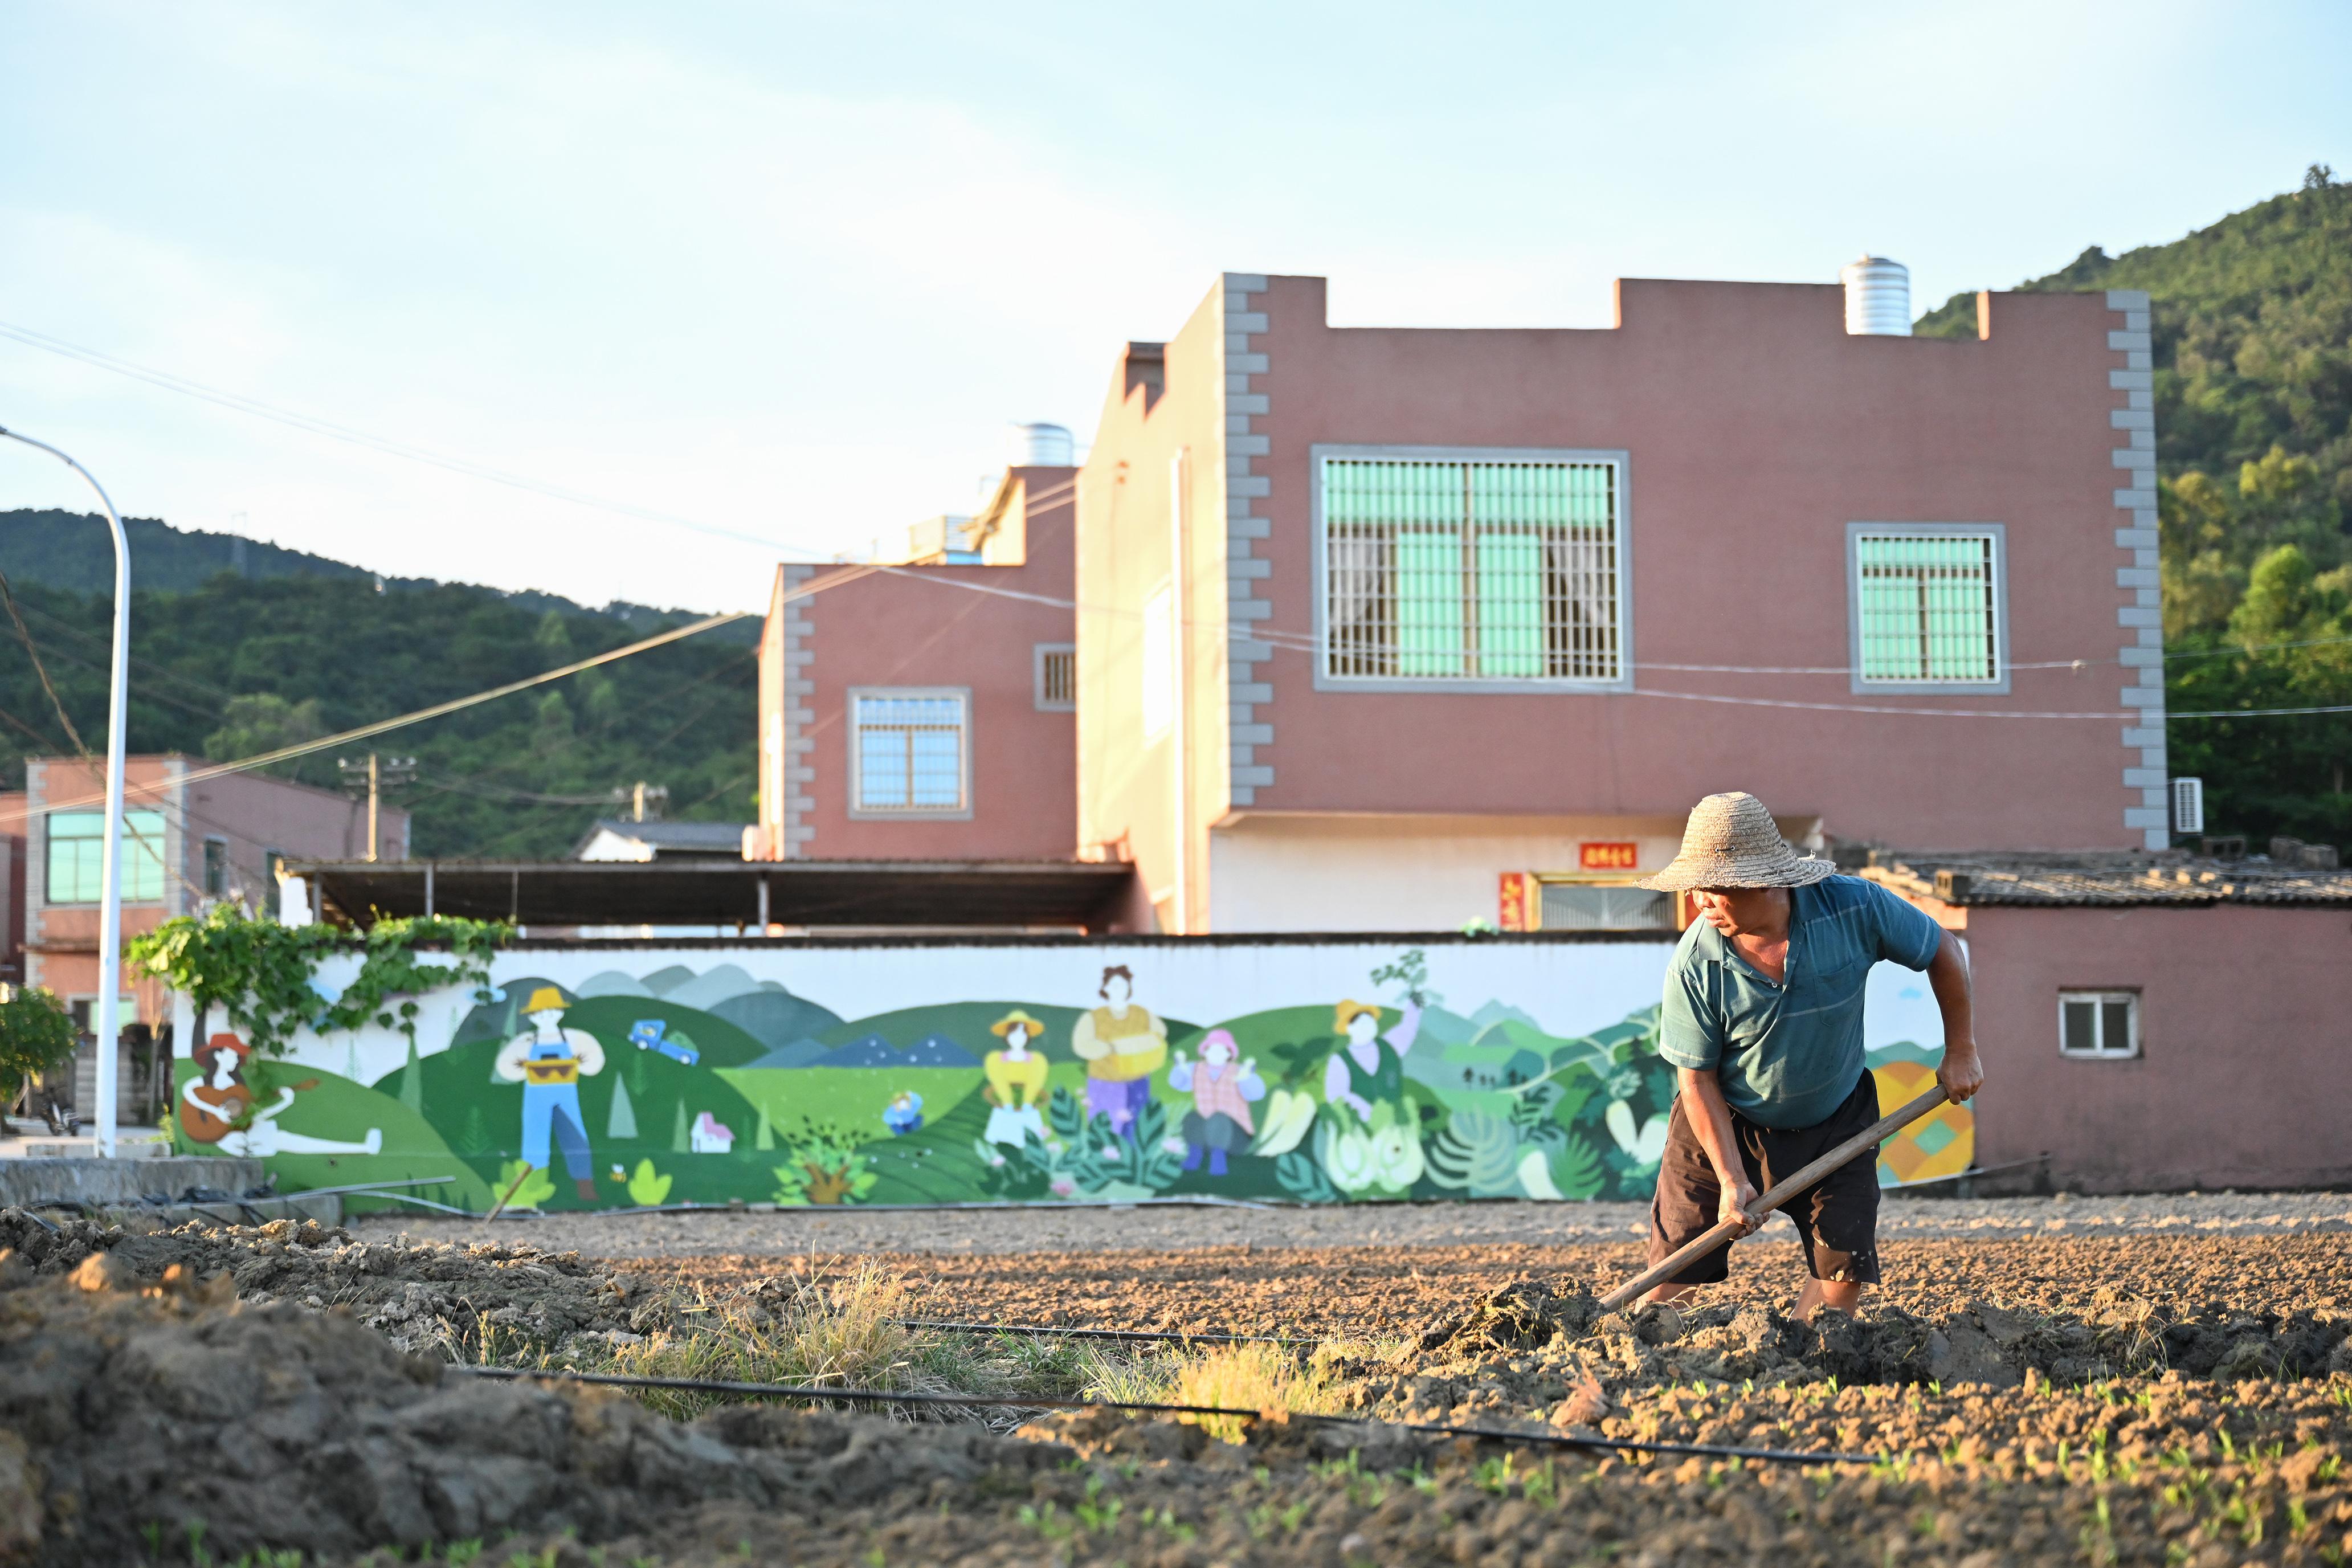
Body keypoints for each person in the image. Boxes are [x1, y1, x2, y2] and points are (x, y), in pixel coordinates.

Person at [1636, 792, 1983, 1322]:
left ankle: (1799, 1362)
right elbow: (1697, 1080)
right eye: (1695, 887)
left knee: (1840, 1281)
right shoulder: (1696, 963)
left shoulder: (1854, 907)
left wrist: (1960, 1050)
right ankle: (1640, 1367)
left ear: (1765, 882)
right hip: (1723, 1121)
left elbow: (1941, 950)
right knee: (1672, 1276)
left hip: (1835, 1116)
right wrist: (1732, 1179)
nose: (1699, 902)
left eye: (1714, 888)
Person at [492, 986, 606, 1202]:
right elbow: (506, 1066)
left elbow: (593, 1060)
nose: (547, 1017)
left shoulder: (573, 1038)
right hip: (536, 1097)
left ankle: (585, 1187)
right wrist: (523, 1066)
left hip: (566, 1096)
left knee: (576, 1138)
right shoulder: (526, 1042)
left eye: (551, 1012)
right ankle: (535, 1188)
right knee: (534, 1140)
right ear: (533, 1016)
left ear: (560, 1012)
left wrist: (579, 1063)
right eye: (541, 1013)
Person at [1069, 966, 1166, 1137]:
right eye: (1114, 985)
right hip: (1105, 1081)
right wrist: (1111, 1047)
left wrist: (1140, 1044)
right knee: (1106, 1127)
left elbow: (1160, 1032)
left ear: (1129, 988)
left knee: (1134, 1127)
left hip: (1137, 1080)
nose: (1118, 989)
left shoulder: (1141, 1014)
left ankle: (1130, 1162)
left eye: (1123, 985)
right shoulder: (1093, 1017)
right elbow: (1081, 1045)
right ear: (1105, 988)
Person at [1168, 1028, 1265, 1176]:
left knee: (1219, 1118)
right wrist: (1180, 1067)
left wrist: (1246, 1077)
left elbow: (1257, 1093)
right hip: (1207, 1138)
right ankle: (1195, 1155)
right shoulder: (1195, 1069)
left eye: (1222, 1051)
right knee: (1193, 1117)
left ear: (1229, 1054)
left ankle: (1218, 1159)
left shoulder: (1239, 1072)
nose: (1216, 1054)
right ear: (1205, 1052)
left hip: (1235, 1140)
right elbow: (1177, 1083)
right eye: (1212, 1050)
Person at [1322, 997, 1420, 1124]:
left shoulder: (1390, 1045)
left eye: (1369, 1018)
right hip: (1359, 1127)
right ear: (1348, 1028)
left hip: (1396, 1123)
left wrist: (1414, 1006)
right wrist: (1369, 1114)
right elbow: (1336, 1095)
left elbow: (1407, 1028)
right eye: (1358, 1021)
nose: (1366, 1024)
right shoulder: (1339, 1061)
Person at [982, 1010, 1051, 1148]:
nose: (1018, 1038)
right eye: (1014, 1033)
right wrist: (1007, 1102)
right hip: (1004, 1109)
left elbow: (1035, 1082)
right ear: (1007, 1036)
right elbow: (999, 1082)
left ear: (1028, 1037)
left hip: (1028, 1109)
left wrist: (1027, 1102)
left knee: (1030, 1142)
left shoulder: (1037, 1061)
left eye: (1022, 1033)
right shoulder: (996, 1059)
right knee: (1002, 1140)